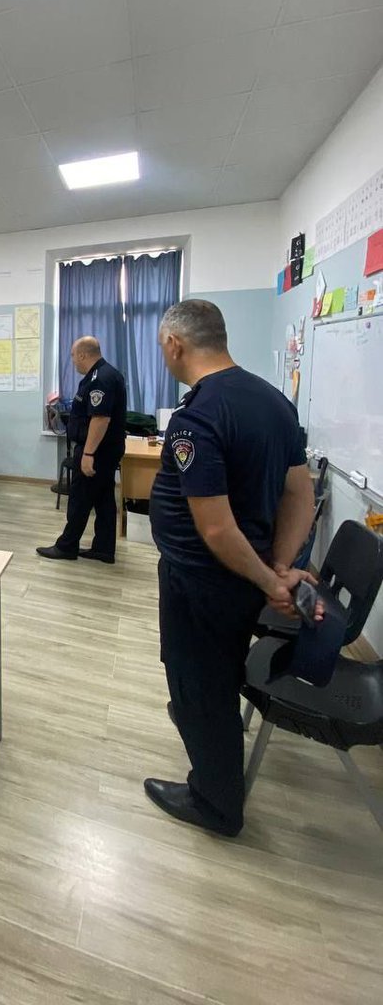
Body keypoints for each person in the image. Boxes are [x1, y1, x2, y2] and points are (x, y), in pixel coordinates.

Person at [146, 300, 317, 838]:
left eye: (162, 345)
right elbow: (301, 493)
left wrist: (272, 583)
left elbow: (216, 529)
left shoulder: (196, 418)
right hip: (244, 577)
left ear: (176, 343)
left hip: (204, 580)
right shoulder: (271, 400)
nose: (164, 354)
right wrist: (281, 566)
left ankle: (216, 803)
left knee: (200, 682)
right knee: (212, 674)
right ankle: (206, 730)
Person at [37, 336, 126, 564]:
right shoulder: (103, 374)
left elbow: (100, 419)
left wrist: (88, 454)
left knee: (80, 499)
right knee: (104, 498)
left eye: (73, 356)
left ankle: (67, 546)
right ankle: (104, 548)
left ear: (83, 355)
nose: (73, 360)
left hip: (96, 451)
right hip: (104, 450)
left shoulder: (100, 379)